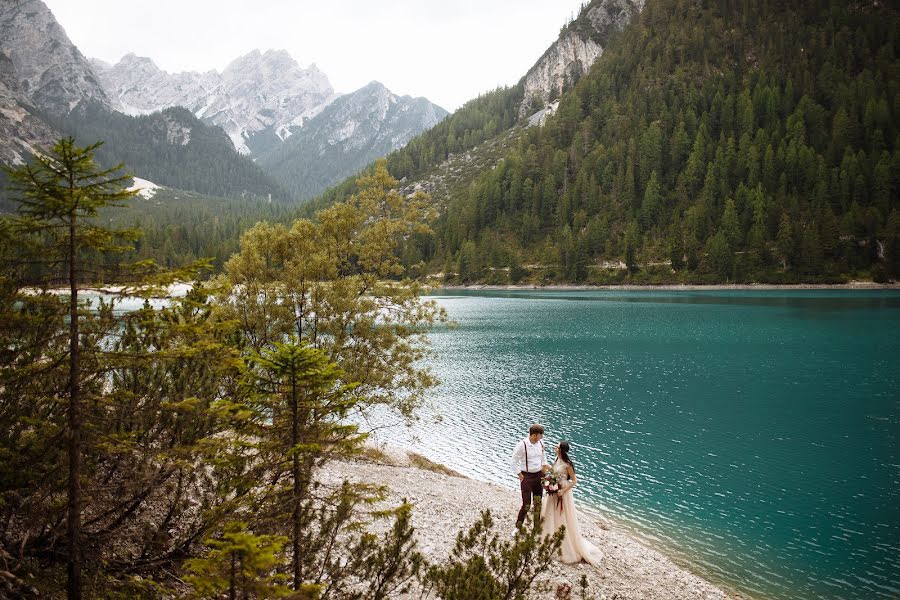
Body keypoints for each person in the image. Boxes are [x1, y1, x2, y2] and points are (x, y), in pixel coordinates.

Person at [541, 440, 603, 565]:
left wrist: (563, 490)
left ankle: (563, 543)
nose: (555, 447)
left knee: (562, 516)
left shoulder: (567, 464)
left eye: (557, 446)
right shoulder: (556, 459)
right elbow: (554, 472)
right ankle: (548, 537)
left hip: (562, 491)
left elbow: (574, 480)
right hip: (554, 491)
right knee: (550, 513)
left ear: (561, 450)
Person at [511, 423, 550, 527]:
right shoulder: (522, 445)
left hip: (539, 476)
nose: (542, 437)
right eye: (540, 435)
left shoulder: (541, 443)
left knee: (538, 503)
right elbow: (514, 461)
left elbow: (543, 458)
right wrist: (519, 474)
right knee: (526, 505)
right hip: (526, 477)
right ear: (534, 435)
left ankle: (536, 528)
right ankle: (518, 527)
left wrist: (545, 471)